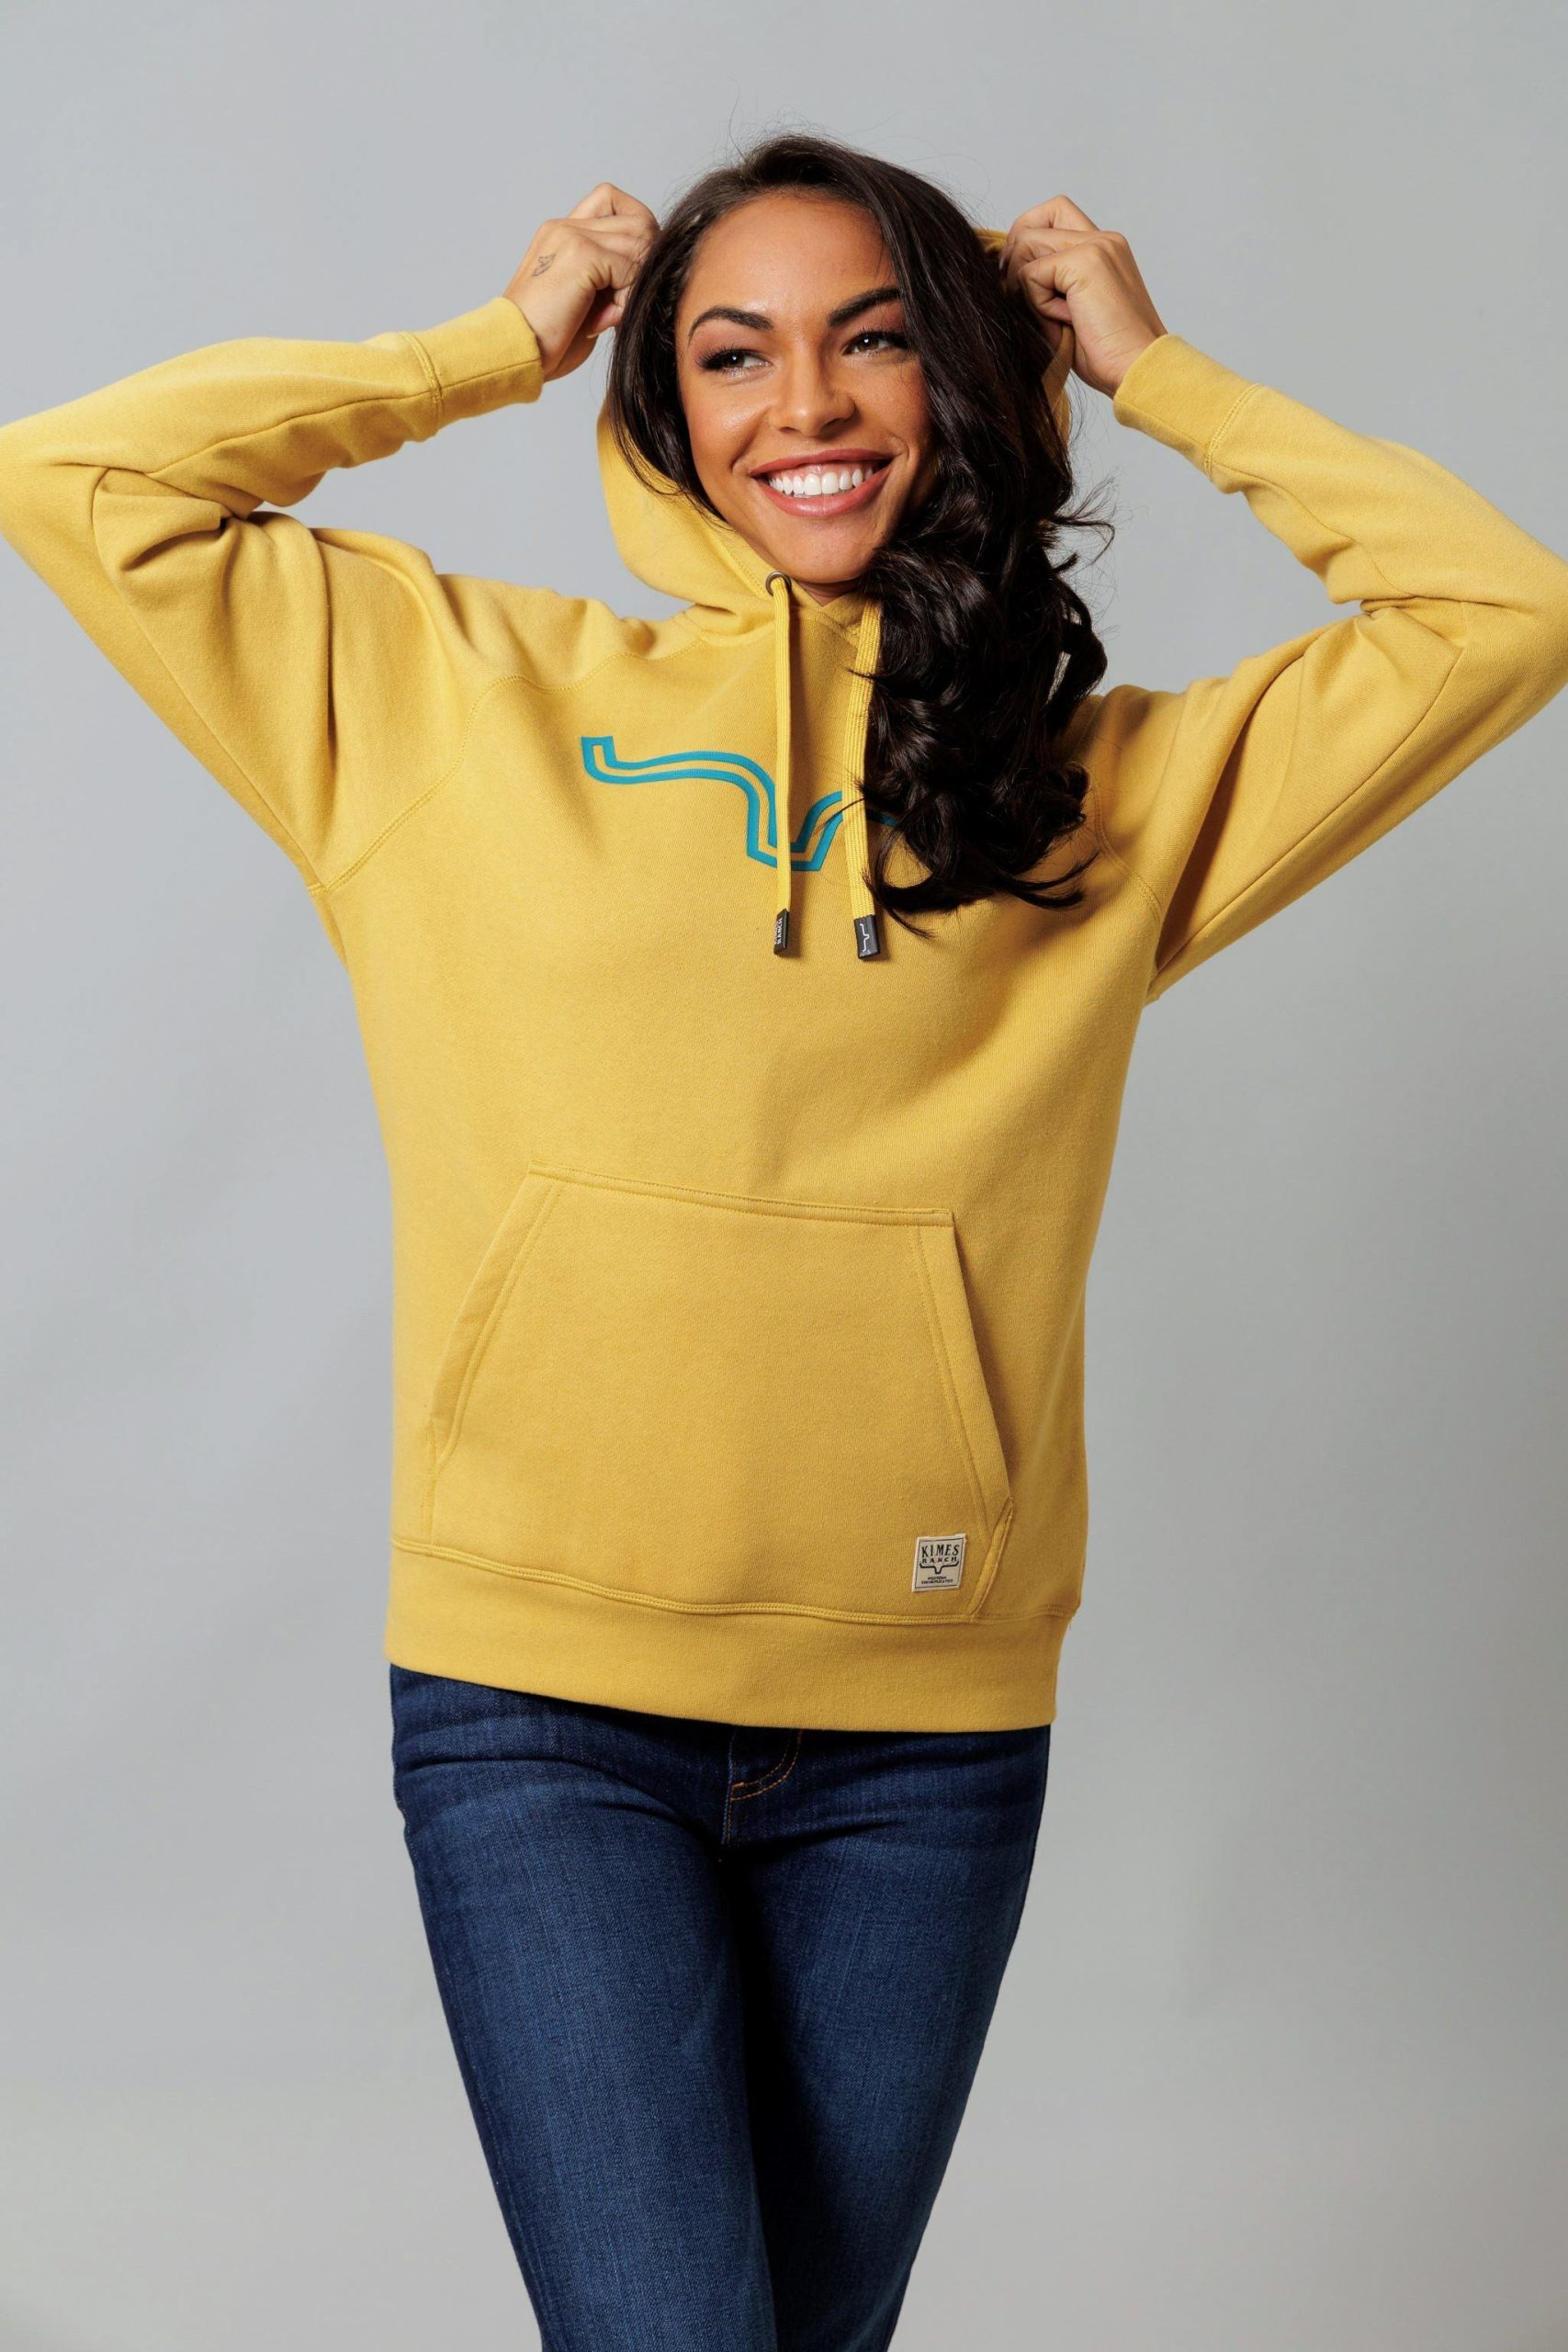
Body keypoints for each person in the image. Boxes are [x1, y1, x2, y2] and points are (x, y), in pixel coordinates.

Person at [2, 127, 1565, 2350]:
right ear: (657, 402)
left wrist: (1158, 372)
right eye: (730, 353)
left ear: (967, 376)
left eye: (873, 339)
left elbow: (1502, 614)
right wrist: (482, 348)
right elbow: (78, 478)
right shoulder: (440, 702)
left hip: (921, 1731)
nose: (805, 404)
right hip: (541, 1709)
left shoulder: (1082, 797)